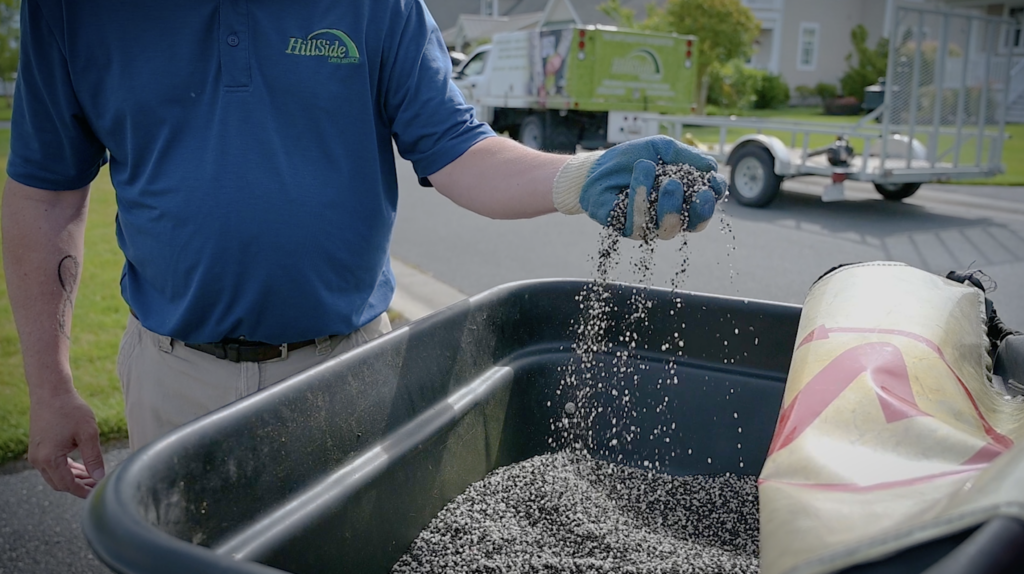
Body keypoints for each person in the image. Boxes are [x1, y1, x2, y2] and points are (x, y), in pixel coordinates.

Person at [1, 0, 727, 499]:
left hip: (347, 373)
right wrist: (50, 386)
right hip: (172, 380)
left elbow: (457, 149)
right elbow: (45, 195)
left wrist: (577, 177)